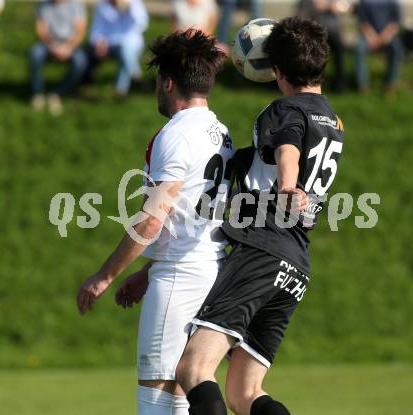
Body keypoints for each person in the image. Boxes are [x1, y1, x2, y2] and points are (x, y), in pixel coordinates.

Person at [175, 17, 345, 415]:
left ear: (277, 71)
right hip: (296, 266)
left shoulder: (284, 109)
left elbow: (288, 147)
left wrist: (287, 186)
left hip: (262, 251)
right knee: (244, 394)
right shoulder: (334, 122)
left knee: (193, 368)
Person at [77, 29, 234, 415]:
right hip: (211, 269)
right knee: (181, 394)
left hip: (180, 277)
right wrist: (147, 272)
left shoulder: (176, 134)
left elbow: (152, 221)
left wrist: (104, 276)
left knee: (157, 398)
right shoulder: (222, 133)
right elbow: (190, 219)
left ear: (167, 83)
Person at [29, 0, 88, 115]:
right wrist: (52, 45)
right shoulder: (43, 5)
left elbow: (80, 30)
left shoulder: (76, 4)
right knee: (35, 53)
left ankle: (57, 93)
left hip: (71, 44)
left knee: (80, 61)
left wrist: (68, 47)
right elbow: (41, 28)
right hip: (49, 43)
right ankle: (38, 93)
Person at [85, 0, 149, 97]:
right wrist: (99, 43)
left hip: (131, 42)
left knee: (125, 52)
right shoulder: (102, 5)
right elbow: (96, 30)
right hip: (109, 44)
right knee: (125, 53)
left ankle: (120, 89)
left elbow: (142, 24)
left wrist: (130, 8)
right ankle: (135, 74)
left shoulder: (134, 3)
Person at [297, 0, 351, 92]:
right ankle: (311, 83)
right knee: (314, 56)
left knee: (339, 52)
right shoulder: (306, 2)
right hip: (314, 34)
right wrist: (325, 7)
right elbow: (302, 17)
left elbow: (346, 7)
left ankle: (339, 85)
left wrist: (342, 8)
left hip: (333, 34)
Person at [355, 0, 402, 93]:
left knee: (396, 48)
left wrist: (384, 37)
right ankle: (363, 84)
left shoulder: (393, 2)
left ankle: (390, 84)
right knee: (359, 49)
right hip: (368, 36)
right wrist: (372, 37)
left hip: (388, 36)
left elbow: (395, 23)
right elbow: (363, 22)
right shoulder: (364, 2)